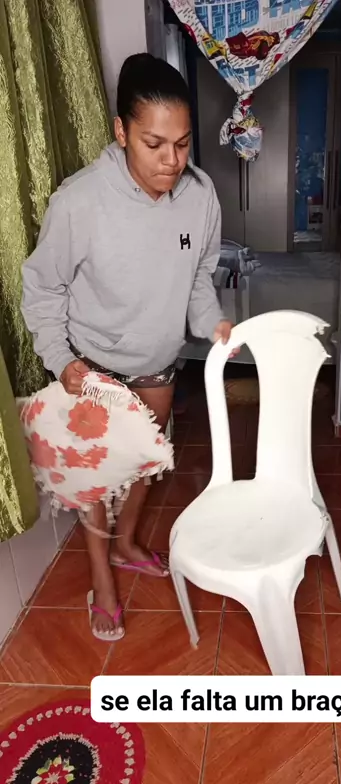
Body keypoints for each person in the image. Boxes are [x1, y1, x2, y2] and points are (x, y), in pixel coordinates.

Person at [21, 53, 234, 641]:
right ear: (121, 131)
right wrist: (62, 361)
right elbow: (41, 289)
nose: (172, 161)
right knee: (96, 480)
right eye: (154, 143)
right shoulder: (79, 202)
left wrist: (213, 323)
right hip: (93, 368)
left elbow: (199, 275)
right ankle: (103, 580)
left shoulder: (200, 195)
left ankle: (127, 544)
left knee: (144, 463)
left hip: (157, 364)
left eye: (183, 144)